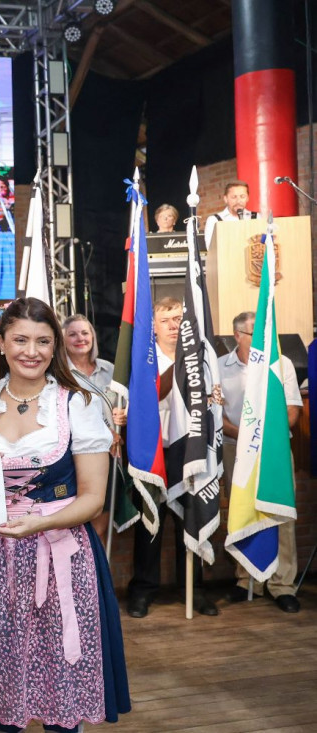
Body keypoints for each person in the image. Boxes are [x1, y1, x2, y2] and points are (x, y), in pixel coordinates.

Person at [0, 297, 130, 732]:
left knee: (62, 678)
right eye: (20, 340)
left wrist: (42, 522)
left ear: (56, 347)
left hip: (61, 552)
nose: (31, 351)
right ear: (0, 343)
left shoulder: (77, 404)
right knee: (0, 672)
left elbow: (93, 498)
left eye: (43, 341)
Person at [126, 297, 218, 618]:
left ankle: (194, 589)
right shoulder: (144, 359)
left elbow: (213, 401)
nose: (173, 325)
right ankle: (143, 590)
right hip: (155, 454)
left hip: (190, 453)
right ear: (153, 326)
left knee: (190, 521)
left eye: (178, 318)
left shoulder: (199, 358)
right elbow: (141, 401)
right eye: (165, 320)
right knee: (149, 526)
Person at [218, 311, 303, 613]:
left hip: (274, 451)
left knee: (280, 513)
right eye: (254, 332)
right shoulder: (220, 366)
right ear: (237, 335)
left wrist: (268, 437)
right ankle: (247, 580)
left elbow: (293, 409)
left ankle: (283, 585)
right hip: (236, 450)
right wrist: (246, 437)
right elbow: (217, 415)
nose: (261, 338)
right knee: (242, 511)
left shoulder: (282, 363)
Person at [63, 314, 121, 537]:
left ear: (93, 337)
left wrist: (123, 416)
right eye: (73, 334)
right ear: (63, 340)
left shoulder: (110, 370)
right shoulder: (59, 373)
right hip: (74, 457)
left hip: (108, 456)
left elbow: (121, 405)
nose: (80, 338)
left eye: (85, 333)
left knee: (100, 526)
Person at [204, 180, 255, 247]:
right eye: (234, 197)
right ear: (225, 199)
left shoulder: (257, 217)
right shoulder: (214, 220)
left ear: (247, 198)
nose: (238, 201)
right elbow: (211, 248)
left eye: (242, 197)